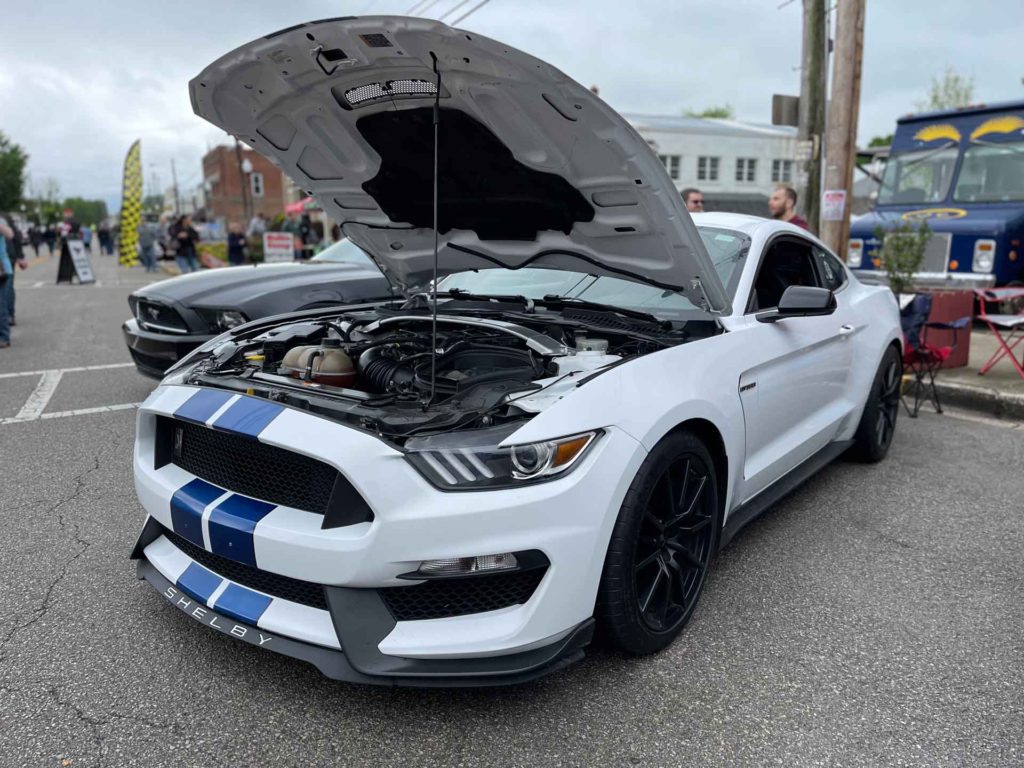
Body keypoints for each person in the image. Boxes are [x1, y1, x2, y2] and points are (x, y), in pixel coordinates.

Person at [1, 214, 26, 332]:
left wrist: (20, 256)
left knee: (7, 290)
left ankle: (9, 316)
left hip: (6, 260)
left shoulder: (4, 218)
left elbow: (14, 236)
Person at [0, 217, 14, 348]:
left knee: (1, 306)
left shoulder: (1, 221)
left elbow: (10, 234)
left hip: (2, 271)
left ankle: (3, 337)